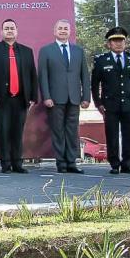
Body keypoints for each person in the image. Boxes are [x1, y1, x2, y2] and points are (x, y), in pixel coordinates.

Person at [0, 19, 38, 174]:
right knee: (3, 132)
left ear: (17, 31)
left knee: (17, 132)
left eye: (12, 28)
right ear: (1, 32)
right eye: (6, 28)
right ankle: (5, 164)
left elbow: (33, 75)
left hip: (21, 99)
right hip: (0, 100)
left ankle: (17, 163)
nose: (9, 30)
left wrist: (33, 97)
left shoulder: (27, 51)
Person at [38, 19, 90, 174]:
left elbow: (85, 76)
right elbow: (43, 76)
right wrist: (46, 96)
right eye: (60, 28)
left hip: (74, 98)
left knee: (72, 131)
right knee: (58, 131)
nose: (62, 31)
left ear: (70, 31)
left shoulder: (78, 51)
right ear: (55, 31)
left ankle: (71, 162)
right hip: (54, 99)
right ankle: (61, 163)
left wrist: (86, 97)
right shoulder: (46, 50)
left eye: (65, 29)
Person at [91, 26, 130, 174]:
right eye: (114, 41)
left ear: (125, 43)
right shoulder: (101, 60)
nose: (118, 44)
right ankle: (114, 163)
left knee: (129, 134)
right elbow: (95, 85)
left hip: (129, 103)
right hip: (110, 105)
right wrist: (98, 103)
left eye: (121, 41)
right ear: (109, 44)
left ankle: (127, 163)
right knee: (112, 134)